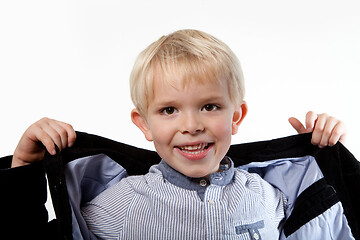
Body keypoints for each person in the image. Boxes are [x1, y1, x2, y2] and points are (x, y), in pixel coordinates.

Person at [11, 30, 348, 239]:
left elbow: (331, 223)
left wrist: (330, 164)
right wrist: (24, 165)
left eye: (210, 106)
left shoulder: (269, 196)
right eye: (169, 110)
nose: (191, 125)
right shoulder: (122, 205)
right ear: (143, 123)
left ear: (237, 116)